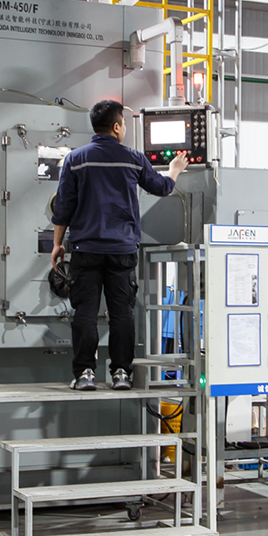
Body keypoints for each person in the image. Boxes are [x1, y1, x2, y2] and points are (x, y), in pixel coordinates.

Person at [51, 99, 188, 391]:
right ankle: (121, 373)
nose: (124, 128)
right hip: (122, 252)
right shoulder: (133, 158)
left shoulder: (75, 159)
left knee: (85, 312)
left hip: (86, 250)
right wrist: (175, 169)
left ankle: (85, 374)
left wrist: (57, 244)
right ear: (116, 127)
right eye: (124, 123)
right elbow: (162, 187)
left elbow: (63, 207)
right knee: (121, 313)